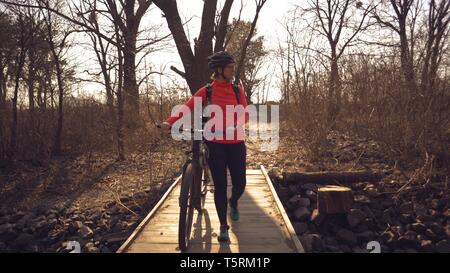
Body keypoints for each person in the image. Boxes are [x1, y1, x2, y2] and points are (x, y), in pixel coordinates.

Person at [159, 51, 249, 242]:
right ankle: (223, 227)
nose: (233, 70)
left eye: (233, 67)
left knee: (240, 184)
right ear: (219, 70)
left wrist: (236, 123)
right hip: (215, 144)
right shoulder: (207, 91)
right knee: (220, 186)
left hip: (236, 143)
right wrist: (169, 122)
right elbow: (187, 107)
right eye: (230, 67)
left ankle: (234, 202)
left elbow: (245, 114)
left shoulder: (237, 90)